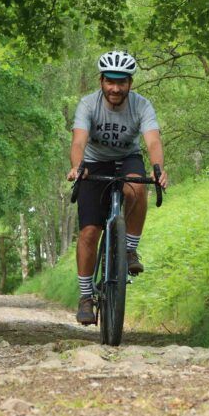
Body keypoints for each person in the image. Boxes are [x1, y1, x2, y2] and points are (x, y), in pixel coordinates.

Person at [67, 51, 168, 326]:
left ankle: (129, 250)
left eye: (121, 82)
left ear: (130, 84)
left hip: (127, 159)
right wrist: (78, 167)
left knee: (136, 187)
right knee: (89, 232)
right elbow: (78, 142)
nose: (115, 88)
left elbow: (153, 141)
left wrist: (158, 169)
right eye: (110, 81)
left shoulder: (142, 106)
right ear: (101, 81)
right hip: (94, 162)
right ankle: (86, 297)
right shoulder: (88, 104)